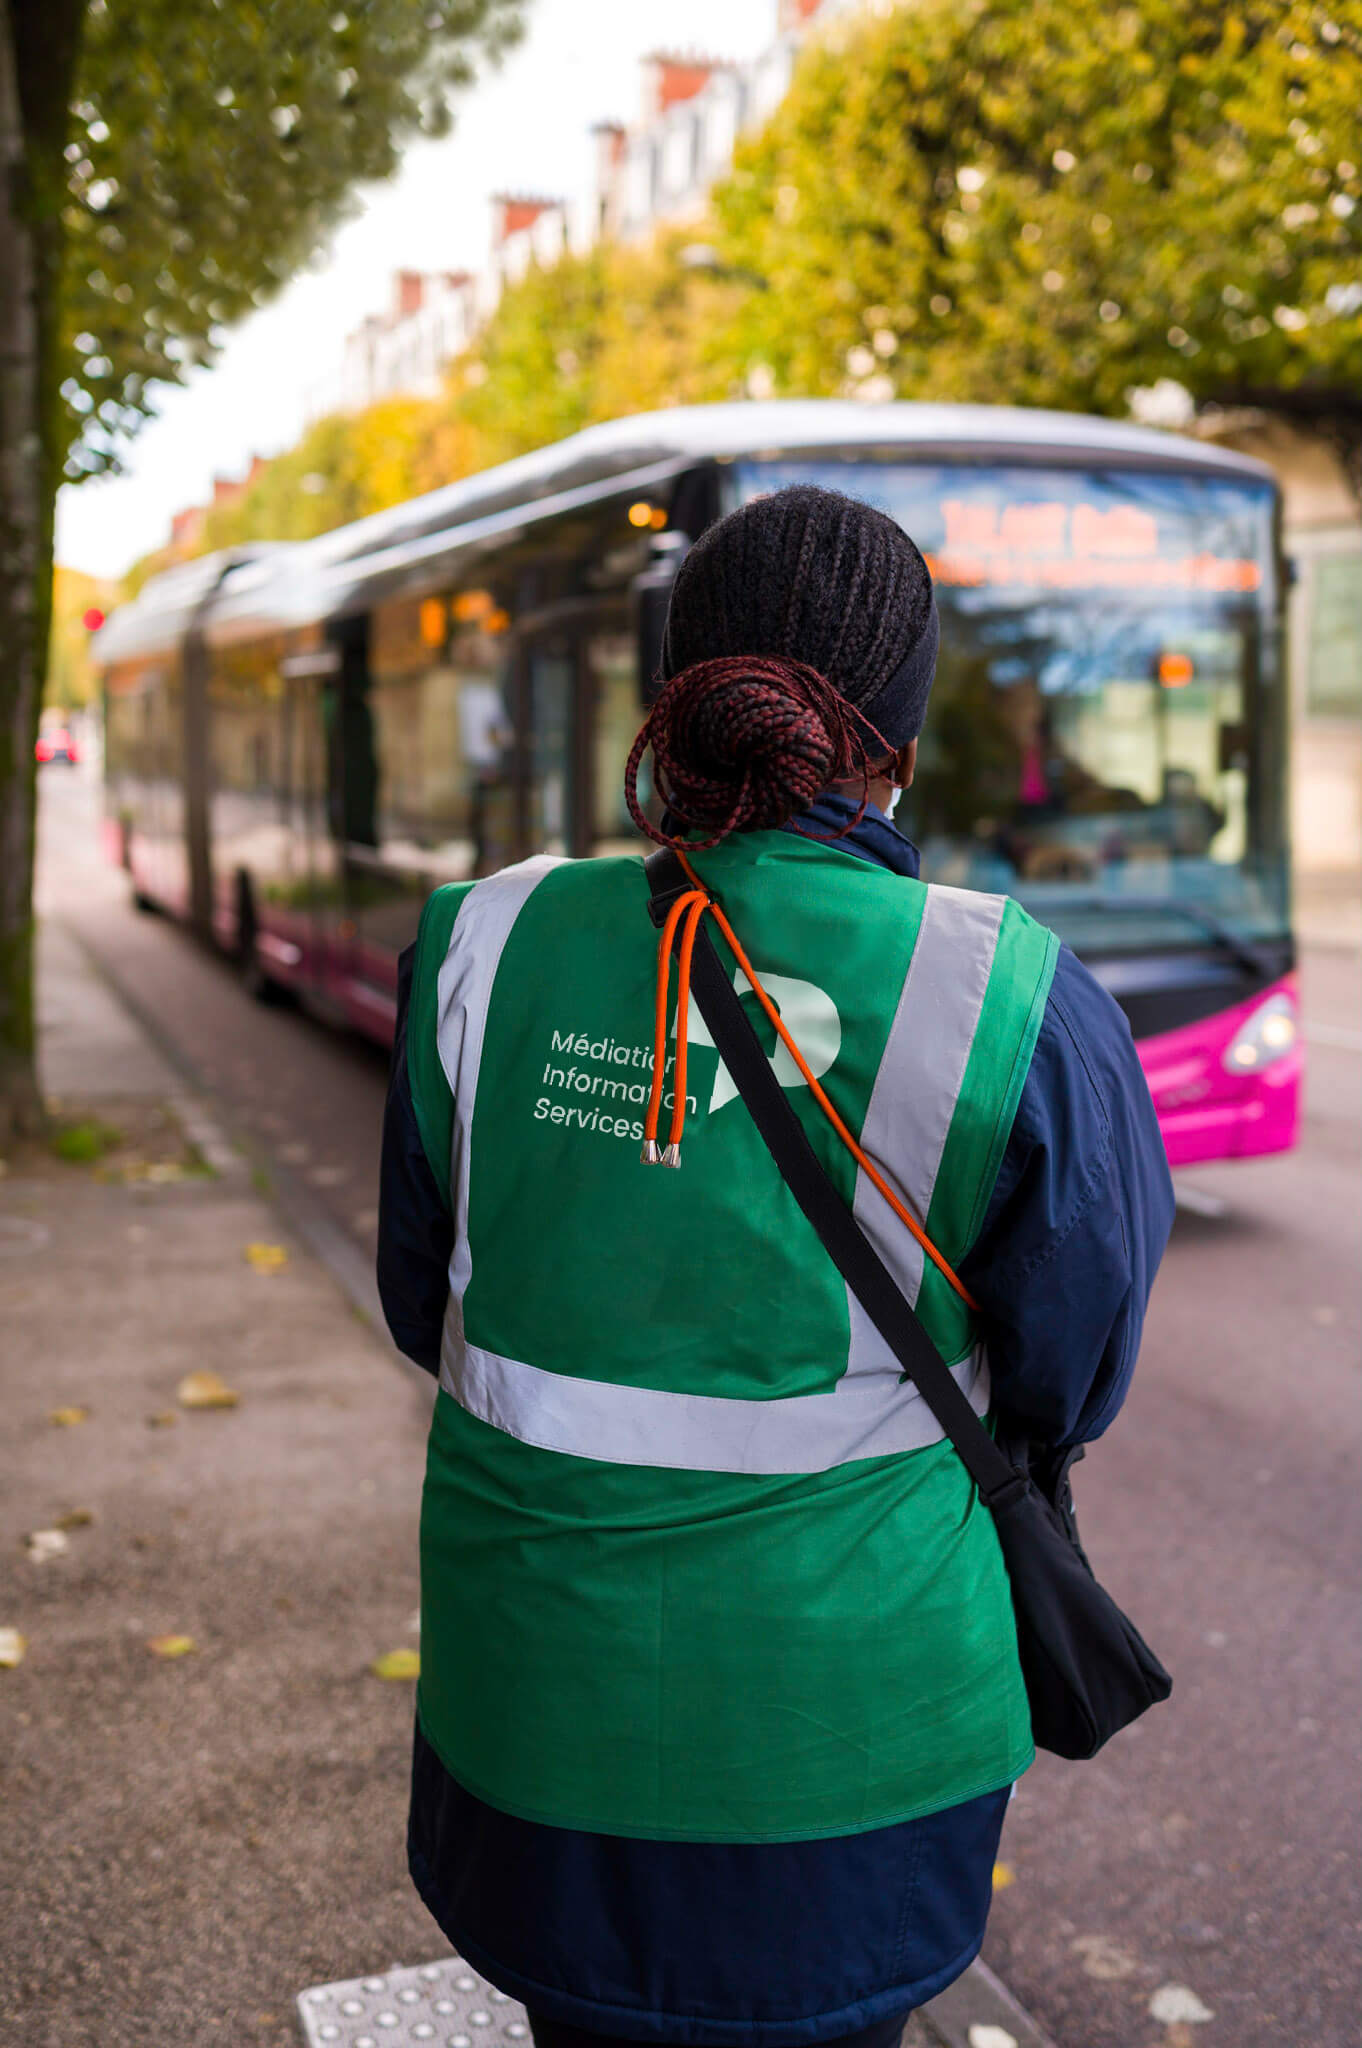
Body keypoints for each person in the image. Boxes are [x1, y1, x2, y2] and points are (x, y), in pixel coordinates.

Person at [377, 485, 1174, 2048]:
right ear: (896, 733)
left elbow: (429, 1304)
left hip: (535, 1715)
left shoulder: (479, 940)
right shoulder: (1005, 986)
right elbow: (1071, 1375)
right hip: (849, 1746)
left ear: (669, 702)